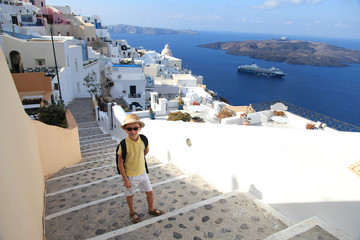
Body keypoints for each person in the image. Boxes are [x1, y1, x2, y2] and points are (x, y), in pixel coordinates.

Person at [118, 114, 165, 224]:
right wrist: (125, 179)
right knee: (130, 195)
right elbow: (120, 163)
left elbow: (146, 150)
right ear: (125, 130)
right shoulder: (123, 144)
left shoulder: (143, 139)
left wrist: (138, 157)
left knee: (150, 192)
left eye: (135, 128)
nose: (133, 131)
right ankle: (132, 212)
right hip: (130, 176)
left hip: (143, 173)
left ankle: (151, 209)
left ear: (140, 128)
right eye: (129, 129)